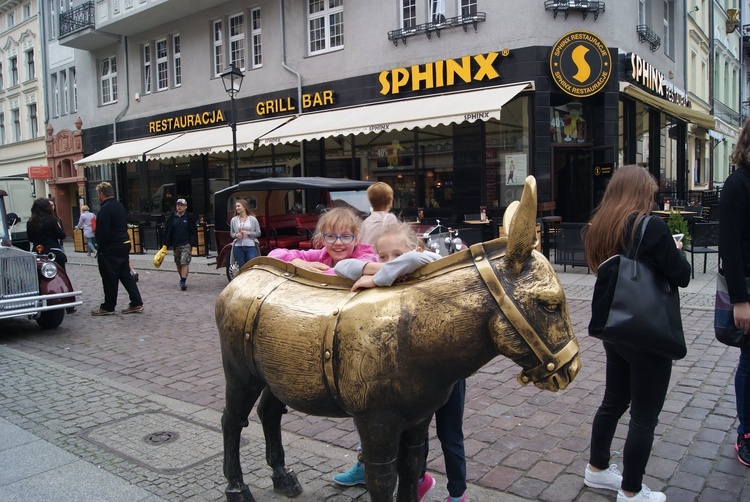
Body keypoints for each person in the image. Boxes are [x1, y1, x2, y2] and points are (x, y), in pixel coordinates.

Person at [334, 222, 466, 502]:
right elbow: (343, 267)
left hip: (447, 368)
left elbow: (418, 259)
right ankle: (418, 480)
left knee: (450, 433)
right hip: (413, 368)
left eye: (397, 254)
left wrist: (379, 277)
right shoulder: (386, 269)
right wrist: (378, 268)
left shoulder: (432, 262)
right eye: (383, 256)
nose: (391, 262)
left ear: (416, 248)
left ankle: (457, 493)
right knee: (417, 432)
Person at [583, 165, 691, 502]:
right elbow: (682, 275)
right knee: (644, 415)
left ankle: (597, 469)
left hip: (615, 326)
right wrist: (676, 250)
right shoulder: (651, 226)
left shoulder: (601, 225)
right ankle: (631, 491)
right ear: (641, 192)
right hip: (646, 331)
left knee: (613, 401)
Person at [720, 121, 750, 467]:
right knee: (749, 362)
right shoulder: (737, 184)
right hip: (748, 289)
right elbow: (729, 246)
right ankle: (747, 431)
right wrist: (740, 300)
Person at [267, 207, 376, 274]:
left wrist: (312, 271)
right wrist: (297, 262)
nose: (338, 242)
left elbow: (351, 271)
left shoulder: (366, 258)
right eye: (331, 236)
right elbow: (273, 254)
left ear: (356, 239)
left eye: (346, 237)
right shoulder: (322, 255)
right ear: (323, 240)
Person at [92, 182, 144, 316]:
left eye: (98, 194)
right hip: (124, 243)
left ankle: (108, 306)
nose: (98, 197)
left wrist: (100, 248)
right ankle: (136, 302)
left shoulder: (105, 209)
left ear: (102, 194)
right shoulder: (119, 206)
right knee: (125, 274)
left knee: (109, 277)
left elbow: (103, 232)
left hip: (111, 247)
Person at [164, 198, 198, 291]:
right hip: (175, 244)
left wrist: (192, 242)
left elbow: (193, 230)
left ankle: (183, 281)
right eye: (178, 205)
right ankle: (182, 278)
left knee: (184, 262)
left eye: (181, 205)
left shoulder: (189, 217)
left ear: (185, 207)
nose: (179, 207)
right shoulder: (172, 217)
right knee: (178, 263)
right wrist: (165, 244)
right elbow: (167, 231)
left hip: (186, 244)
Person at [359, 182, 398, 246]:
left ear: (370, 201)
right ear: (390, 202)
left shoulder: (366, 222)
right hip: (381, 254)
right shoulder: (390, 218)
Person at [230, 199, 261, 269]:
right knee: (242, 268)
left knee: (251, 267)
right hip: (238, 247)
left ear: (244, 207)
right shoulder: (234, 220)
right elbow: (232, 234)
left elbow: (258, 233)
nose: (236, 208)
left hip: (250, 246)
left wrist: (249, 233)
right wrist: (236, 235)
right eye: (236, 206)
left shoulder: (253, 219)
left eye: (238, 206)